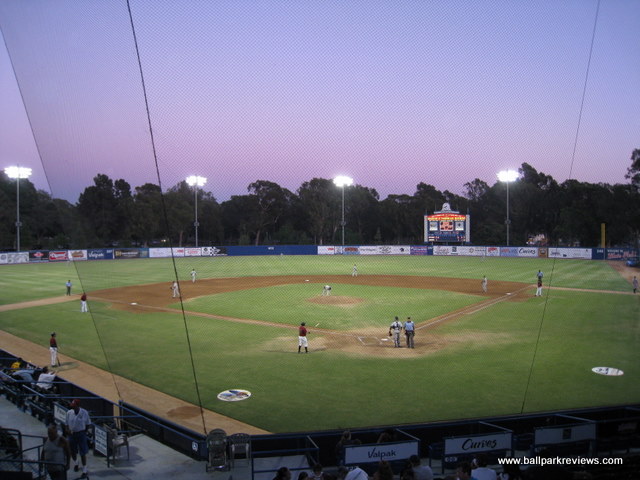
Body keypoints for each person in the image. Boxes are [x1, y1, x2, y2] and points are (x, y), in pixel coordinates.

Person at [65, 399, 91, 478]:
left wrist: (84, 432)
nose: (72, 407)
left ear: (78, 406)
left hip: (81, 434)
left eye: (74, 406)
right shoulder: (69, 413)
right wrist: (67, 431)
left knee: (82, 452)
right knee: (72, 451)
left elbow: (87, 424)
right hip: (72, 434)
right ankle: (76, 462)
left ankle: (84, 470)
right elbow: (66, 424)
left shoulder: (84, 413)